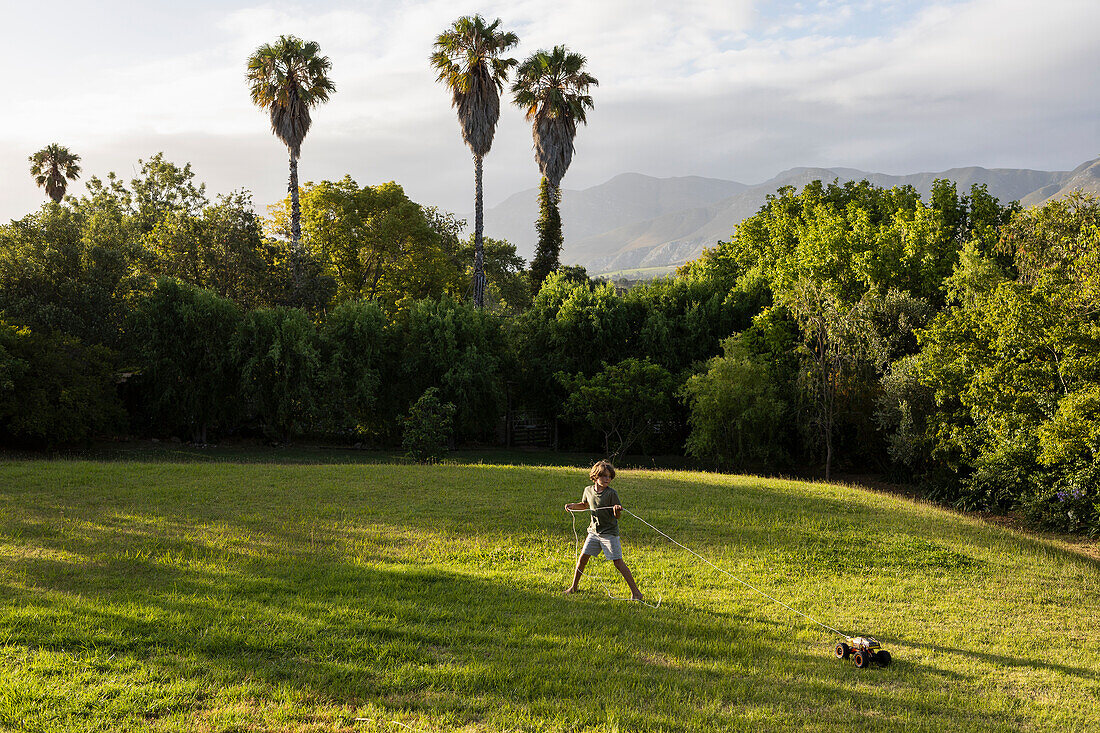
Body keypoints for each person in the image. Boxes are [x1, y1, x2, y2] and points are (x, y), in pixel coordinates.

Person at [563, 460, 643, 601]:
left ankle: (636, 593)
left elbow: (617, 516)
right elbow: (585, 505)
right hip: (593, 532)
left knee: (618, 562)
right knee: (582, 559)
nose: (607, 479)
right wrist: (572, 506)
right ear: (595, 476)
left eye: (609, 477)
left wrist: (617, 511)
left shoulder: (612, 494)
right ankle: (574, 587)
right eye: (604, 476)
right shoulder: (588, 490)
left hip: (609, 534)